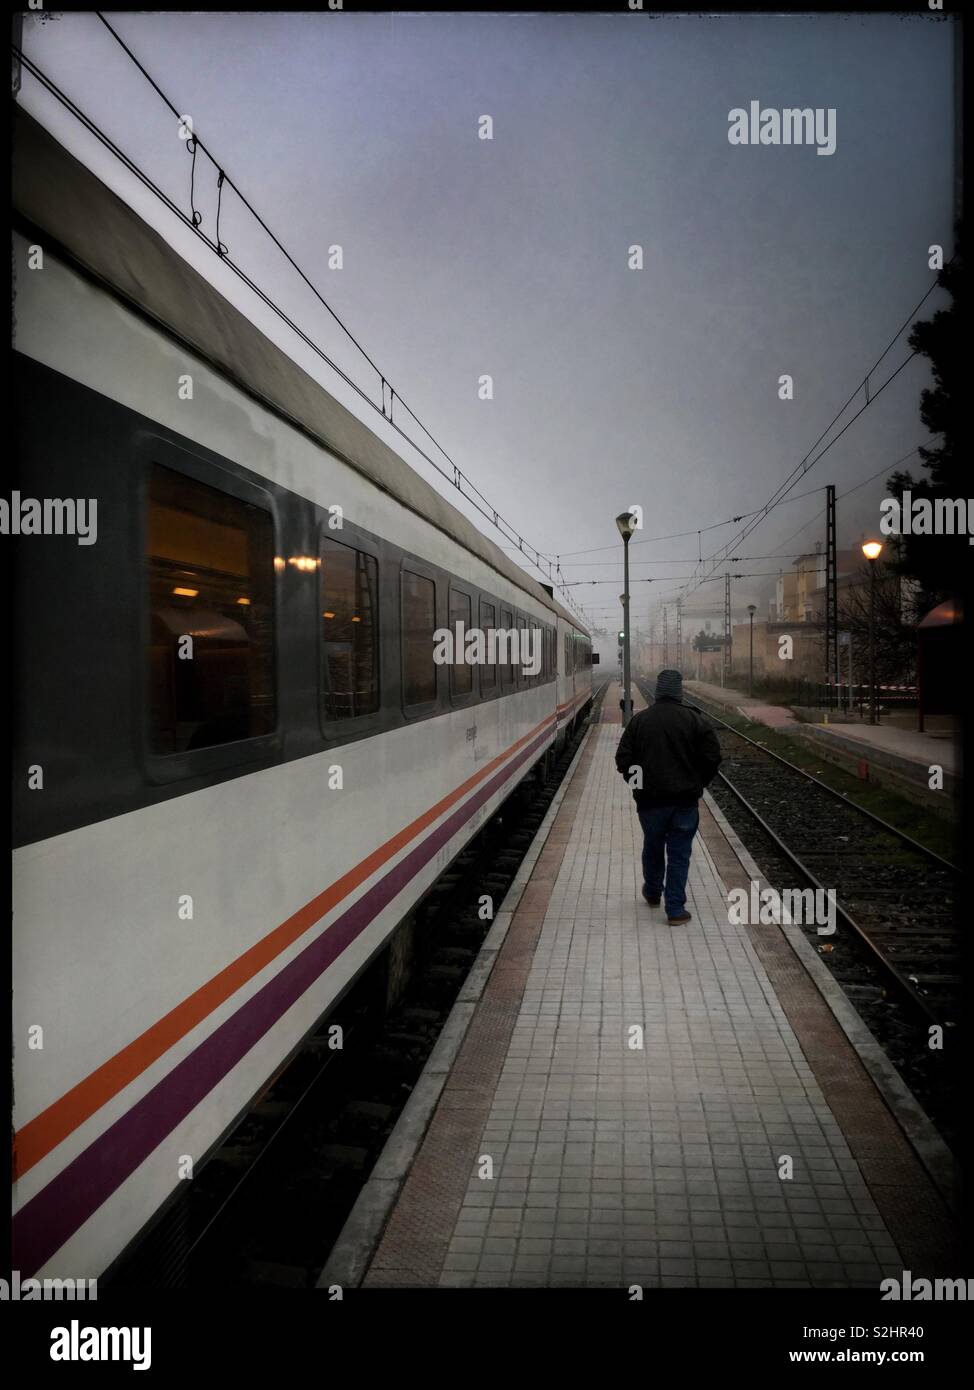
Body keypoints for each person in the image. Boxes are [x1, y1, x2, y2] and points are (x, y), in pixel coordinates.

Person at [615, 669, 722, 925]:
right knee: (679, 854)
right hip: (684, 802)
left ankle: (653, 892)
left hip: (650, 802)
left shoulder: (640, 721)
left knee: (653, 846)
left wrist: (638, 785)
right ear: (679, 692)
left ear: (658, 691)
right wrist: (698, 783)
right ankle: (675, 910)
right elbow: (712, 758)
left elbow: (624, 759)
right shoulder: (696, 721)